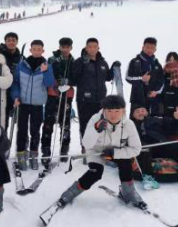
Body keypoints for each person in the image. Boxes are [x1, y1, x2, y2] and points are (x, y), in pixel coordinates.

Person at [50, 96, 146, 210]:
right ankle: (71, 192)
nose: (113, 115)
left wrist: (115, 153)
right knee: (95, 172)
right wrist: (95, 129)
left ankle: (129, 193)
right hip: (97, 152)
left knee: (126, 165)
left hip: (117, 151)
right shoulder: (96, 119)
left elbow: (136, 149)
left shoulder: (129, 124)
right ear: (104, 110)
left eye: (117, 111)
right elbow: (86, 144)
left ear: (123, 111)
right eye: (109, 111)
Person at [11, 40, 55, 171]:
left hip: (37, 104)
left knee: (35, 131)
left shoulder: (47, 66)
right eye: (34, 49)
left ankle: (33, 155)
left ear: (43, 51)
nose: (36, 51)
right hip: (22, 103)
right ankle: (21, 154)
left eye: (39, 49)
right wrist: (16, 96)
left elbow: (49, 84)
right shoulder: (21, 65)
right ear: (30, 50)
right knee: (22, 130)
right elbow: (15, 83)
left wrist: (46, 72)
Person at [72, 38, 118, 154]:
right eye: (90, 46)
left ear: (98, 48)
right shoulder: (79, 61)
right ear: (86, 48)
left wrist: (114, 67)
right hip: (84, 100)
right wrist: (82, 64)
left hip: (101, 100)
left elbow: (108, 77)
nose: (92, 49)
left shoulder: (102, 62)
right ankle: (85, 147)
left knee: (101, 123)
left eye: (94, 47)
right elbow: (73, 79)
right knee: (86, 124)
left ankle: (99, 146)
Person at [41, 37, 76, 165]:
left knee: (65, 123)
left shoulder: (73, 61)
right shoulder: (52, 59)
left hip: (68, 94)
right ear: (59, 47)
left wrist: (69, 82)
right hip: (53, 93)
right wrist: (56, 84)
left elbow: (76, 77)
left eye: (68, 47)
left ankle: (64, 149)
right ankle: (45, 150)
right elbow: (48, 75)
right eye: (63, 47)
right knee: (48, 122)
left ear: (71, 48)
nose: (65, 49)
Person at [126, 37, 165, 114]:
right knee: (136, 121)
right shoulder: (134, 61)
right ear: (143, 47)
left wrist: (156, 91)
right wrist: (141, 78)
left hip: (153, 100)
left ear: (155, 50)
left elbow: (162, 81)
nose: (149, 50)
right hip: (137, 99)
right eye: (147, 47)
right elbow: (128, 77)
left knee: (152, 121)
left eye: (152, 48)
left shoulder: (157, 65)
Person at [0, 33, 23, 131]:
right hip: (0, 92)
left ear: (17, 42)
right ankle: (0, 140)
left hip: (14, 92)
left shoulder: (21, 58)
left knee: (17, 122)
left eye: (13, 40)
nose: (11, 42)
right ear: (5, 42)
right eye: (8, 40)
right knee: (1, 122)